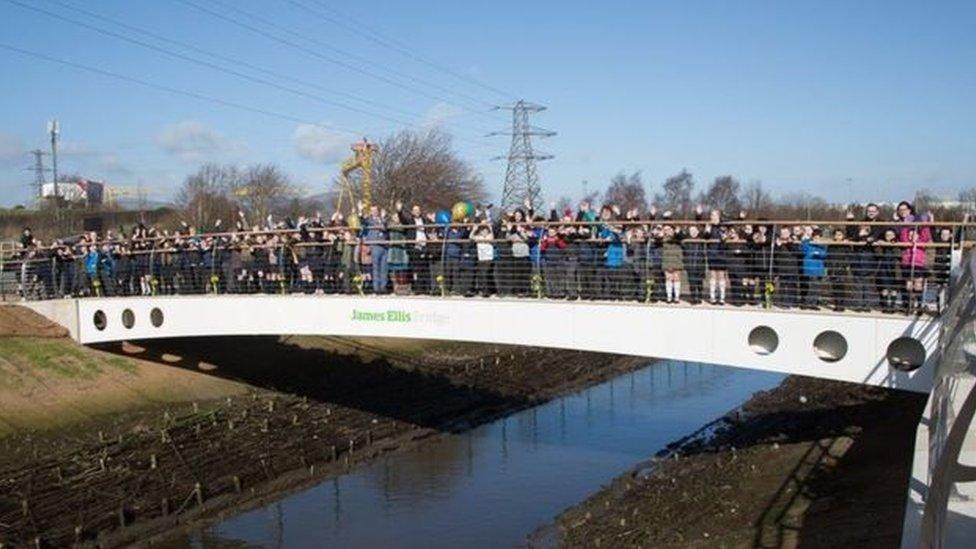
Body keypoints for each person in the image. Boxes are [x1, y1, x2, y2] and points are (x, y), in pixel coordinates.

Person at [360, 204, 389, 294]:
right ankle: (376, 288)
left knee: (384, 268)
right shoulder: (369, 220)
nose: (374, 212)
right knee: (376, 267)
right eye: (372, 210)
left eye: (376, 210)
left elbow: (385, 227)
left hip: (384, 245)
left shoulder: (382, 218)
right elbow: (362, 221)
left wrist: (383, 218)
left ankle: (383, 287)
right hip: (375, 245)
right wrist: (360, 211)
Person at [800, 227, 827, 309]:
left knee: (817, 287)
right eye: (815, 237)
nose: (817, 239)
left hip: (819, 269)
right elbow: (804, 251)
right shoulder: (807, 243)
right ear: (812, 236)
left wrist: (818, 253)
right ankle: (807, 303)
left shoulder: (822, 245)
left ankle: (813, 303)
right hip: (810, 268)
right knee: (813, 286)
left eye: (819, 237)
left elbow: (824, 254)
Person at [660, 225, 684, 303]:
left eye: (669, 229)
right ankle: (669, 297)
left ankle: (676, 297)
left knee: (676, 278)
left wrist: (675, 233)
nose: (667, 231)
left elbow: (680, 237)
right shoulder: (663, 238)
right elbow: (656, 240)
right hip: (667, 260)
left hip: (676, 259)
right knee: (668, 278)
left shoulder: (677, 237)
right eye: (665, 229)